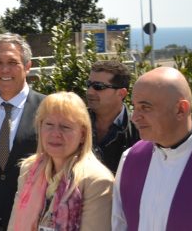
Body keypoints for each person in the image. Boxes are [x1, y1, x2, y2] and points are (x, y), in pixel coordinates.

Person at [112, 66, 192, 230]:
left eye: (146, 107)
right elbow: (119, 224)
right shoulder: (130, 159)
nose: (135, 117)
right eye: (134, 107)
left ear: (180, 109)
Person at [8, 92, 114, 231]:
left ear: (82, 134)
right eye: (49, 124)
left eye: (65, 127)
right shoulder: (30, 169)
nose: (55, 133)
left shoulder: (97, 181)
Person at [0, 33, 46, 231]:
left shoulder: (47, 109)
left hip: (31, 221)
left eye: (12, 62)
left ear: (28, 66)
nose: (4, 70)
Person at [86, 60, 139, 173]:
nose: (90, 92)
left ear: (121, 93)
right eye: (88, 85)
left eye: (98, 87)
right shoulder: (76, 123)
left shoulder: (139, 131)